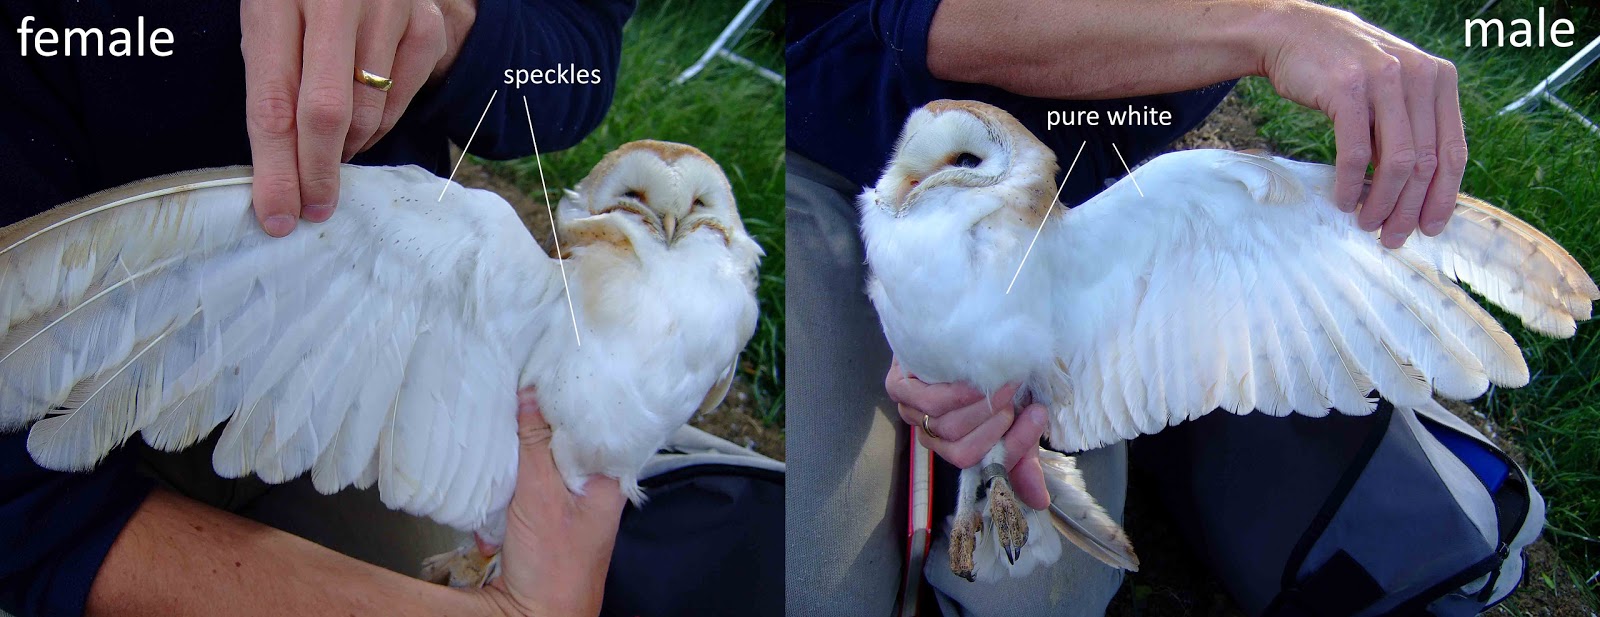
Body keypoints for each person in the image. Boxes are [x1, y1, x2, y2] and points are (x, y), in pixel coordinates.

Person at [786, 0, 1466, 614]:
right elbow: (933, 23)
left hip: (1050, 221)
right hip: (833, 150)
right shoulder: (1264, 19)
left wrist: (1007, 337)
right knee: (814, 587)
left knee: (1036, 603)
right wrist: (1270, 27)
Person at [0, 1, 634, 615]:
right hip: (77, 406)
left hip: (382, 355)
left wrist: (445, 23)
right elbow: (24, 523)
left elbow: (580, 56)